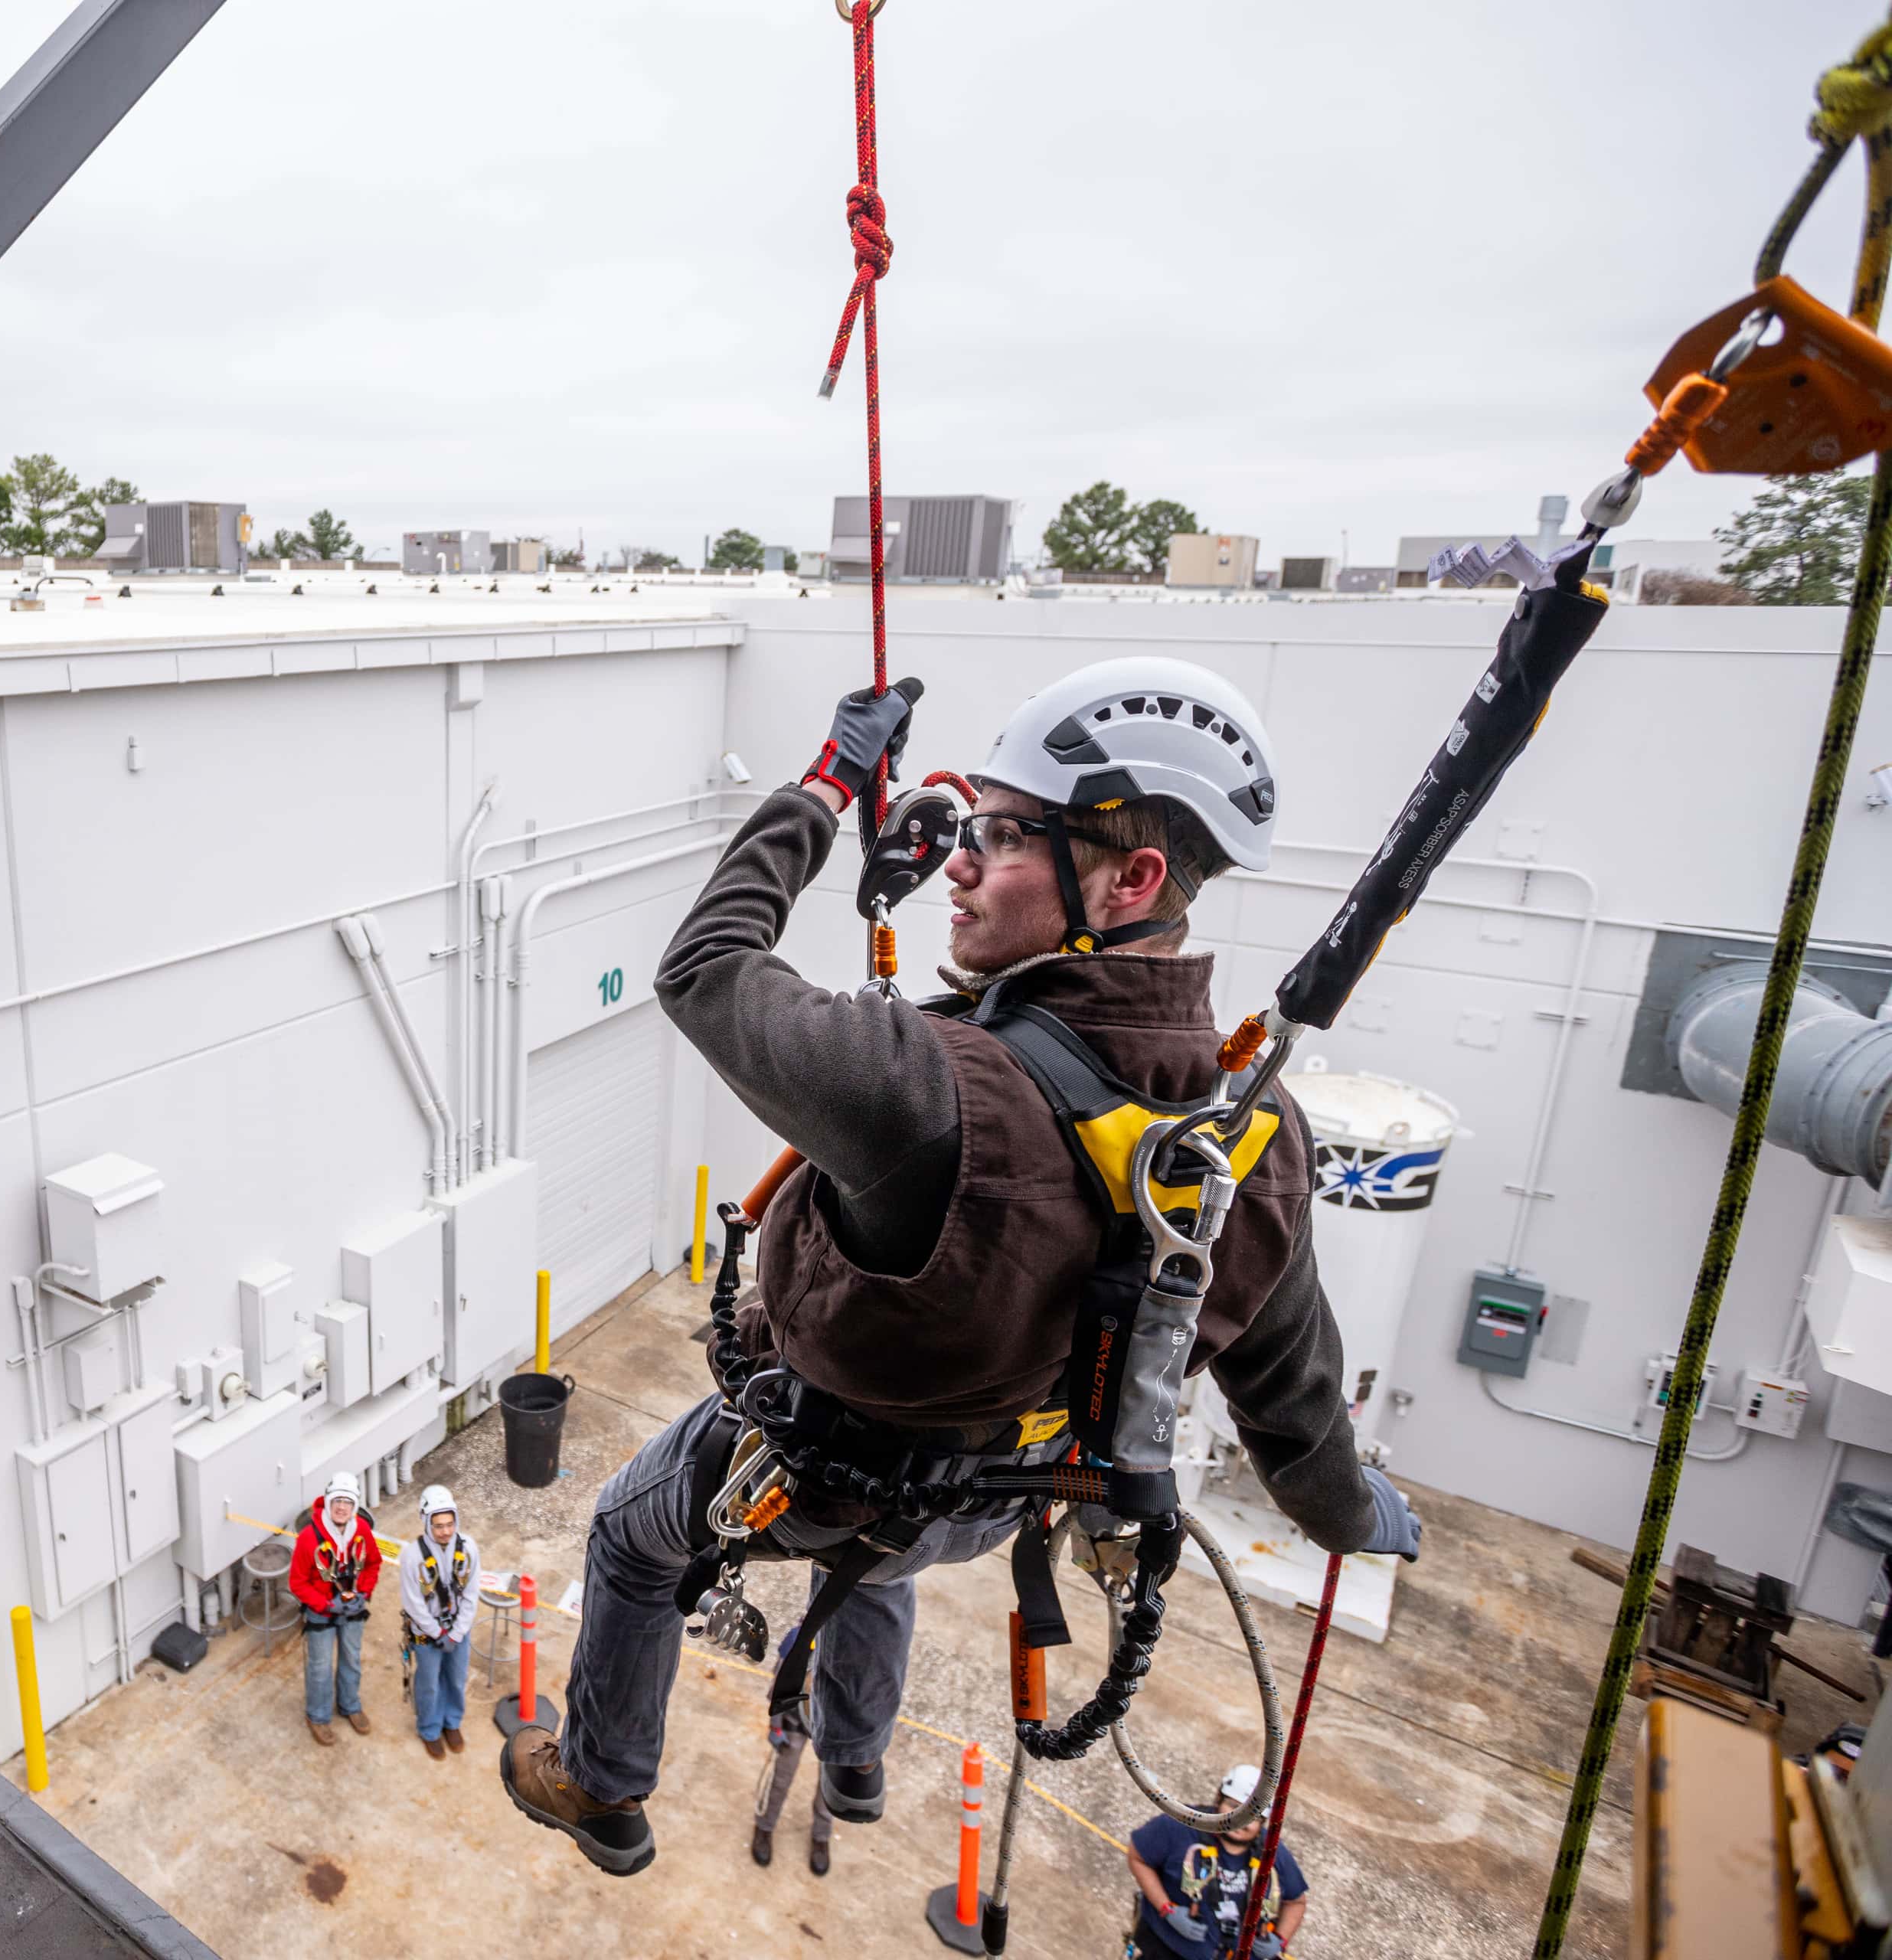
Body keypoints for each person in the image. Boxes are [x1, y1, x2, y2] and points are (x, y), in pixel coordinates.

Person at [502, 658, 1423, 1876]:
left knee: (631, 1532)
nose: (959, 863)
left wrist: (829, 786)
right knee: (877, 1571)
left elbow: (705, 971)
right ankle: (856, 1761)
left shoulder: (927, 1088)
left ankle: (604, 1787)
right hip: (990, 1507)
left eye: (1000, 836)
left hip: (821, 1469)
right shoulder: (1256, 1138)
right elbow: (1296, 1413)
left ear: (1131, 878)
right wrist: (1358, 1518)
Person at [1125, 1767, 1308, 1959]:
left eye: (1253, 1815)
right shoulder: (1180, 1826)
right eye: (1233, 1806)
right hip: (1168, 1951)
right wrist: (1167, 1909)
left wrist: (1280, 1940)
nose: (1240, 1820)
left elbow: (1296, 1902)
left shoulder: (1272, 1853)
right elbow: (1138, 1858)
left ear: (1263, 1821)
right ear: (1219, 1798)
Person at [291, 1473, 383, 1743]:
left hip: (352, 1607)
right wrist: (324, 1604)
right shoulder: (309, 1538)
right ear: (329, 1502)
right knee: (320, 1666)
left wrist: (363, 1592)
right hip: (322, 1610)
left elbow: (373, 1563)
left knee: (351, 1658)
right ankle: (317, 1716)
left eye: (348, 1502)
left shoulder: (361, 1531)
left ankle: (350, 1705)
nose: (342, 1507)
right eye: (337, 1501)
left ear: (355, 1506)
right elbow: (298, 1582)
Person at [400, 1483, 480, 1759]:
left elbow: (471, 1593)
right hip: (427, 1633)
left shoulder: (468, 1548)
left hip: (459, 1630)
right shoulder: (412, 1557)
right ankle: (430, 1728)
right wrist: (436, 1633)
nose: (445, 1531)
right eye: (438, 1525)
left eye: (449, 1524)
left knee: (456, 1678)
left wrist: (457, 1632)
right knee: (429, 1682)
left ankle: (451, 1722)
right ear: (426, 1523)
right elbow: (413, 1602)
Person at [748, 1690, 835, 1877]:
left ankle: (821, 1835)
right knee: (781, 1778)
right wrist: (776, 1724)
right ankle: (765, 1825)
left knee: (830, 1787)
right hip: (796, 1714)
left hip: (835, 1725)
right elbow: (785, 1668)